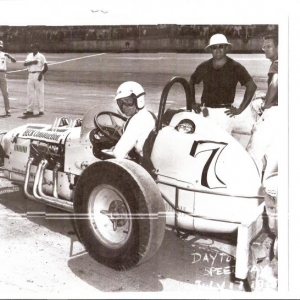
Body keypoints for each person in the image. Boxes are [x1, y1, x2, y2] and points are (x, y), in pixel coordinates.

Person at [189, 33, 257, 134]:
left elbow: (251, 86)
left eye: (221, 46)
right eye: (214, 47)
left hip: (224, 114)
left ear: (226, 48)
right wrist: (192, 102)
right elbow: (191, 81)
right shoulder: (204, 66)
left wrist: (240, 109)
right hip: (205, 111)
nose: (218, 50)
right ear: (211, 50)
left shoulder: (235, 67)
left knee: (221, 145)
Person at [246, 33, 278, 183]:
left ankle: (250, 186)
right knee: (274, 156)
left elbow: (275, 84)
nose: (265, 49)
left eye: (269, 46)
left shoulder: (277, 63)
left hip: (273, 113)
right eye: (264, 46)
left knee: (253, 153)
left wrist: (266, 104)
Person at [111, 81, 156, 160]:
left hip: (143, 163)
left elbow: (119, 153)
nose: (124, 107)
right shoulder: (148, 115)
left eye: (128, 101)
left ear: (139, 100)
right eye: (121, 103)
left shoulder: (137, 120)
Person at [23, 43, 48, 116]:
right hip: (30, 74)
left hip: (38, 74)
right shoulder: (29, 55)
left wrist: (41, 74)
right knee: (30, 92)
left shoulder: (41, 56)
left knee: (39, 92)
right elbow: (24, 64)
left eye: (34, 47)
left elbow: (46, 67)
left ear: (37, 48)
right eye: (32, 47)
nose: (33, 49)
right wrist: (32, 62)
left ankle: (41, 110)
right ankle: (30, 109)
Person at [0, 40, 17, 117]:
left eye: (0, 46)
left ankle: (8, 110)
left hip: (2, 73)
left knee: (5, 93)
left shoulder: (4, 55)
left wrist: (9, 56)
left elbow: (14, 61)